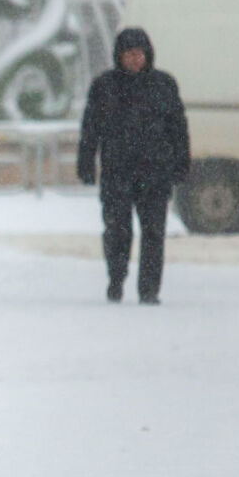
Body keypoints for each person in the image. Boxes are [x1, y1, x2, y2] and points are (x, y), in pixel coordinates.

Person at [77, 27, 190, 305]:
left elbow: (178, 127)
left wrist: (181, 162)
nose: (135, 59)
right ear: (119, 55)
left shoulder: (164, 85)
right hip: (117, 172)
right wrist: (86, 162)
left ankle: (149, 289)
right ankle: (116, 279)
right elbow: (90, 128)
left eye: (139, 53)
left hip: (155, 173)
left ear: (147, 54)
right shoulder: (105, 86)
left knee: (153, 233)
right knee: (117, 231)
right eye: (129, 54)